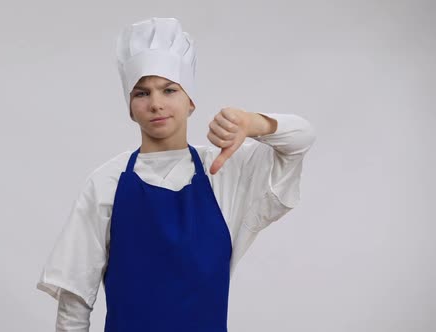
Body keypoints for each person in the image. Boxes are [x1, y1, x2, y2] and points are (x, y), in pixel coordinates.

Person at [36, 17, 316, 331]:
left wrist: (253, 123)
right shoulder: (106, 183)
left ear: (191, 100)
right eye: (142, 93)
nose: (156, 103)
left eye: (169, 90)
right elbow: (74, 303)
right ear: (130, 106)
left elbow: (302, 138)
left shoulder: (223, 171)